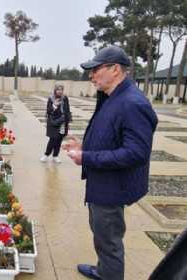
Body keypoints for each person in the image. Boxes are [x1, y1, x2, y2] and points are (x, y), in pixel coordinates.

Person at [63, 46, 158, 280]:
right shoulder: (112, 97)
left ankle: (109, 274)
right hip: (102, 182)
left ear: (115, 69)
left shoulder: (132, 103)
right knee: (101, 234)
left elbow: (136, 152)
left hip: (113, 187)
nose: (91, 75)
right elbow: (112, 136)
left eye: (95, 70)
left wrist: (87, 157)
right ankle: (103, 271)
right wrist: (85, 148)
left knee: (109, 241)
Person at [40, 84, 71, 163]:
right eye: (58, 89)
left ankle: (55, 156)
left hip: (63, 122)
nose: (60, 91)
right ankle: (46, 155)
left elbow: (67, 109)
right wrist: (54, 105)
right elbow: (48, 111)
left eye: (61, 89)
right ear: (55, 90)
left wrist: (68, 120)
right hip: (54, 122)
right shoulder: (51, 98)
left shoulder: (65, 98)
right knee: (53, 139)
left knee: (59, 140)